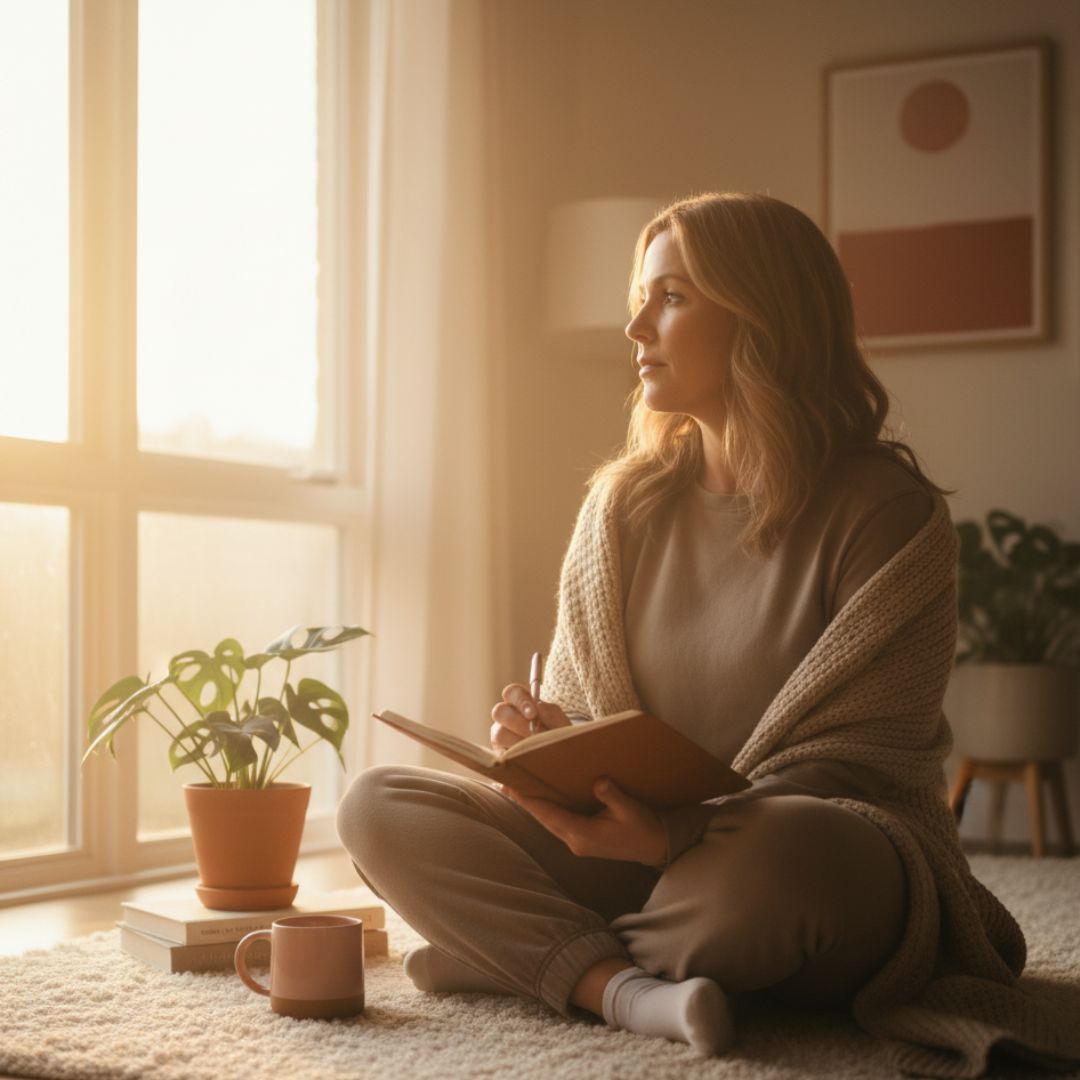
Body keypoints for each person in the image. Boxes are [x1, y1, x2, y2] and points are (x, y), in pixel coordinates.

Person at [337, 193, 1062, 1076]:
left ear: (765, 314)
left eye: (672, 296)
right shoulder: (623, 506)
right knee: (378, 803)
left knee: (787, 859)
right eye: (641, 295)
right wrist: (551, 748)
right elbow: (597, 718)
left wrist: (670, 839)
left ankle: (530, 958)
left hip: (787, 857)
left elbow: (857, 763)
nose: (636, 323)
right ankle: (619, 987)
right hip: (629, 861)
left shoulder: (889, 513)